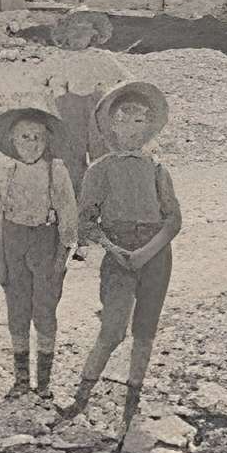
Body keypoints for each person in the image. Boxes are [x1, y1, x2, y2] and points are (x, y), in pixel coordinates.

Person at [55, 81, 182, 432]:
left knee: (145, 331)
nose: (131, 129)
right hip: (118, 254)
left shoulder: (157, 170)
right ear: (110, 125)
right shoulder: (100, 171)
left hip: (155, 253)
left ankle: (132, 402)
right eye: (124, 120)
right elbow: (85, 221)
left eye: (140, 121)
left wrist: (145, 252)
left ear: (150, 126)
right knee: (112, 331)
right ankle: (80, 397)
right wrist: (116, 249)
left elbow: (174, 219)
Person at [0, 104, 78, 399]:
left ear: (47, 140)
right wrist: (0, 261)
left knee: (45, 309)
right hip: (14, 243)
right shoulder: (6, 172)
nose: (31, 143)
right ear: (13, 142)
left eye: (37, 137)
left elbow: (68, 215)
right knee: (17, 309)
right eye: (24, 137)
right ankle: (21, 380)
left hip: (45, 242)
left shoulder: (56, 170)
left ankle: (45, 383)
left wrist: (61, 258)